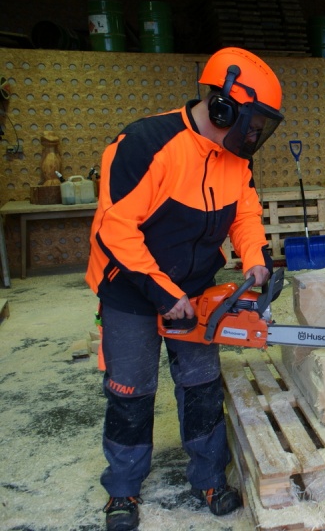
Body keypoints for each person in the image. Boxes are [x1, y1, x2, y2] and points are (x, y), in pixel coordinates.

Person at [85, 47, 284, 531]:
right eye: (252, 123)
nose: (254, 135)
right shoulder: (145, 143)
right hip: (130, 286)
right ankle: (123, 488)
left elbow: (245, 213)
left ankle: (208, 477)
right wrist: (162, 293)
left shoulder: (236, 158)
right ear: (223, 107)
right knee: (131, 390)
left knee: (200, 385)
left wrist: (255, 259)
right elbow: (116, 229)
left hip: (194, 286)